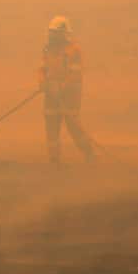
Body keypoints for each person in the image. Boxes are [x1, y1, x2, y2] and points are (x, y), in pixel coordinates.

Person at [39, 16, 94, 165]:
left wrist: (60, 87)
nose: (52, 36)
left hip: (69, 97)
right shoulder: (47, 49)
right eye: (51, 32)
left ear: (63, 34)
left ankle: (89, 153)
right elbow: (42, 69)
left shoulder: (73, 51)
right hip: (51, 96)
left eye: (55, 33)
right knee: (51, 127)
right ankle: (54, 160)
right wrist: (43, 83)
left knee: (73, 126)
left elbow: (75, 74)